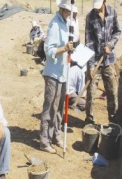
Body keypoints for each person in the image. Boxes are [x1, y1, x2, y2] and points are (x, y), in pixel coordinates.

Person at [40, 0, 74, 154]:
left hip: (63, 72)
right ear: (60, 9)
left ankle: (56, 135)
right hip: (53, 72)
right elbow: (49, 51)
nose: (68, 13)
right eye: (66, 10)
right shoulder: (54, 24)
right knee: (50, 107)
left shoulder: (66, 23)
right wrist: (64, 48)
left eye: (69, 11)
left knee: (60, 106)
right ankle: (44, 141)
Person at [85, 0, 121, 124]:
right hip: (95, 61)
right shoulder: (90, 17)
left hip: (108, 61)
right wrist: (90, 67)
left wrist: (110, 45)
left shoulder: (112, 12)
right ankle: (89, 120)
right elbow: (89, 43)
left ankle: (113, 120)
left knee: (112, 92)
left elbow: (117, 32)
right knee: (90, 93)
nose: (97, 9)